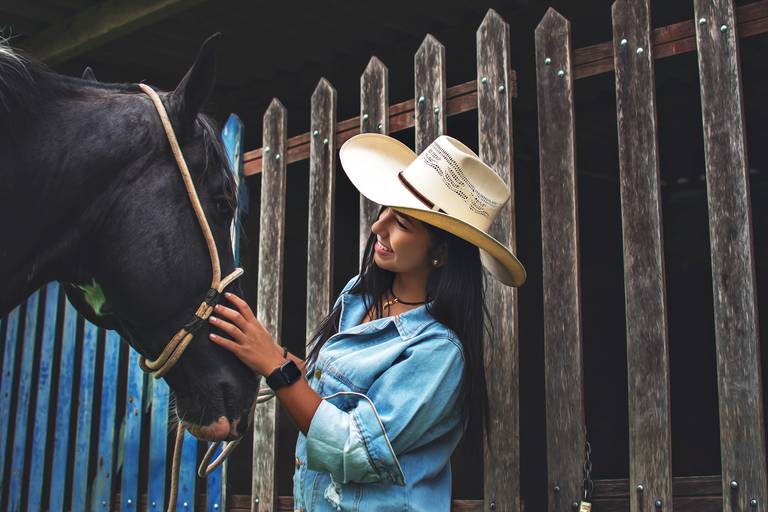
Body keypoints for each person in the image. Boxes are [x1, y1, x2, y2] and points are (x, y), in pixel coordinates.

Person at [207, 133, 526, 511]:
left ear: (440, 252)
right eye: (385, 211)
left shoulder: (438, 352)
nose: (379, 227)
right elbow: (332, 395)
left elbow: (353, 447)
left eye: (402, 223)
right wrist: (261, 350)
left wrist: (275, 366)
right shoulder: (360, 296)